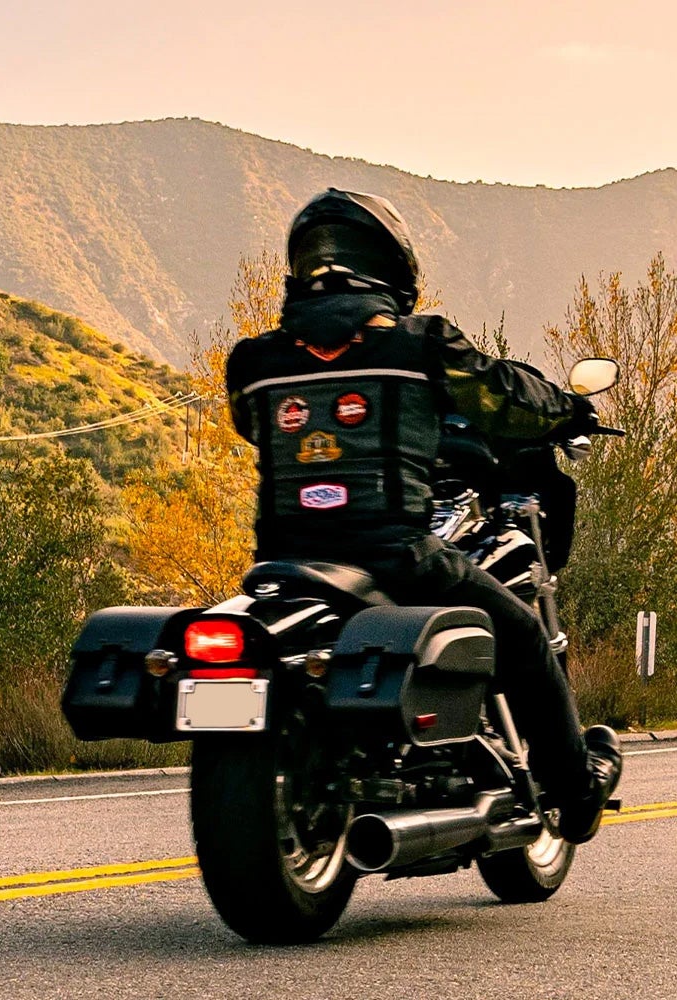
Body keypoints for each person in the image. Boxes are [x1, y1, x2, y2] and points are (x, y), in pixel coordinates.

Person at [223, 188, 623, 841]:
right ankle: (576, 793)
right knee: (523, 634)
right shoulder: (419, 344)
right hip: (396, 555)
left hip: (284, 563)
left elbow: (254, 426)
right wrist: (568, 408)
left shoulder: (253, 361)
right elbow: (503, 395)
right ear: (391, 264)